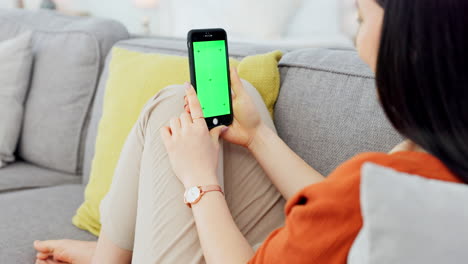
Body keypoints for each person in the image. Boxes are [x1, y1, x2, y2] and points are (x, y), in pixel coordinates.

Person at [33, 0, 468, 263]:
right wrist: (260, 136)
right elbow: (345, 213)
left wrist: (199, 179)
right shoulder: (424, 168)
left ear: (408, 40)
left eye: (361, 17)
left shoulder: (382, 181)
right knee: (176, 107)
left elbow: (347, 207)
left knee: (170, 107)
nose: (358, 40)